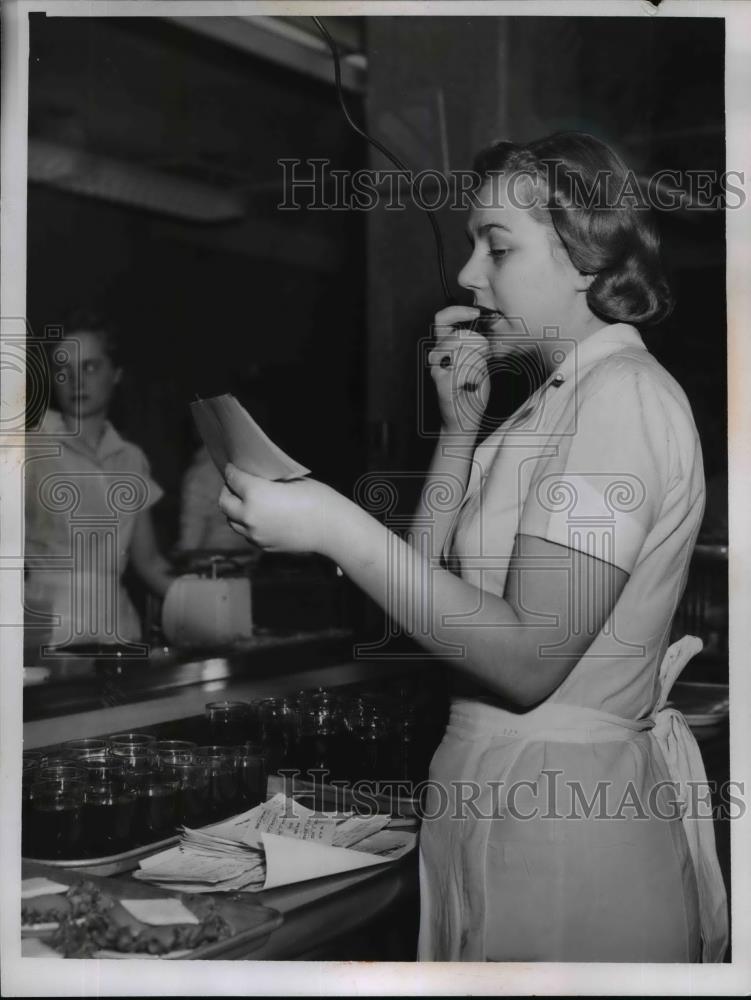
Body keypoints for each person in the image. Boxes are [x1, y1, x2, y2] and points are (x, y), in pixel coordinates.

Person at [217, 133, 728, 962]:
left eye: (496, 246)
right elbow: (430, 597)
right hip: (496, 802)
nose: (465, 276)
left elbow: (527, 655)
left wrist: (335, 524)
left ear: (586, 257)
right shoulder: (557, 402)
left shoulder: (621, 402)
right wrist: (457, 436)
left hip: (566, 832)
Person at [25, 311, 173, 651]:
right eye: (63, 370)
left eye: (90, 367)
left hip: (117, 629)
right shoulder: (27, 446)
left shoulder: (132, 458)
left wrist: (209, 602)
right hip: (43, 631)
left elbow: (148, 563)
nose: (76, 381)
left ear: (116, 374)